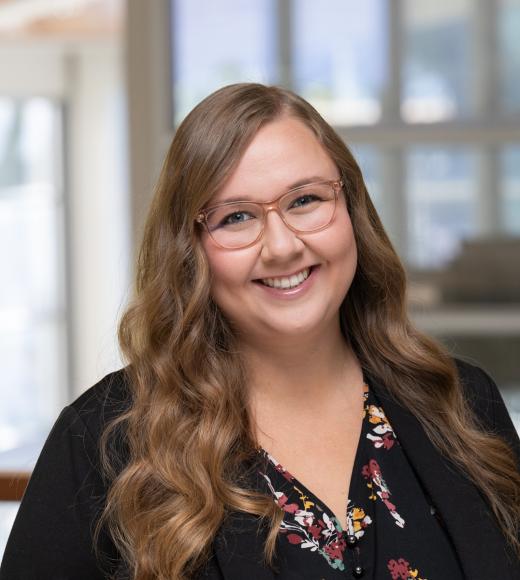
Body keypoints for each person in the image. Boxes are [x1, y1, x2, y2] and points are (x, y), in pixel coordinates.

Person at [1, 83, 519, 580]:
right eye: (237, 217)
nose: (282, 246)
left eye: (305, 200)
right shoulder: (105, 441)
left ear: (351, 210)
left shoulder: (460, 403)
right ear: (189, 249)